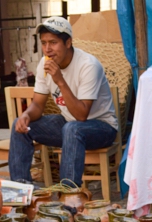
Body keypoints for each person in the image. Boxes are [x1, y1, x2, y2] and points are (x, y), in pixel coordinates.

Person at [9, 17, 118, 186]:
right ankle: (21, 189)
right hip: (69, 125)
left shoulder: (88, 65)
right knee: (20, 126)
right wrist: (26, 115)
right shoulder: (43, 65)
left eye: (53, 42)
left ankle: (69, 194)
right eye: (44, 43)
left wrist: (59, 80)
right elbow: (38, 105)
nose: (47, 49)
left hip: (102, 127)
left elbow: (81, 115)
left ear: (68, 43)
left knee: (73, 129)